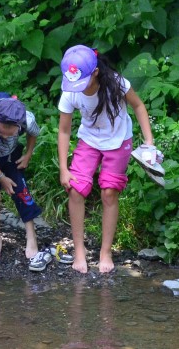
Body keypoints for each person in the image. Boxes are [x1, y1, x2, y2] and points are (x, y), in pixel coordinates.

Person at [57, 45, 157, 274]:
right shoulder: (70, 90)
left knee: (109, 192)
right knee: (75, 189)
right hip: (89, 141)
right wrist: (63, 168)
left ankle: (105, 252)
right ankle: (79, 251)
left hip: (118, 141)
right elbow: (64, 131)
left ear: (95, 72)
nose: (78, 89)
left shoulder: (116, 82)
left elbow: (139, 106)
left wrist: (149, 142)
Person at [0, 98, 45, 267]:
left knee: (21, 191)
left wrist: (28, 154)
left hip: (11, 155)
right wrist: (1, 178)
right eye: (2, 128)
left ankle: (31, 235)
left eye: (11, 130)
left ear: (19, 124)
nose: (5, 134)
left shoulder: (27, 118)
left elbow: (33, 133)